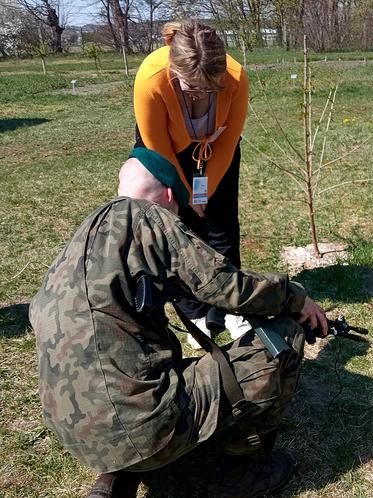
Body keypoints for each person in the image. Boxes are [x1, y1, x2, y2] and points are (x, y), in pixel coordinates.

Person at [30, 147, 328, 498]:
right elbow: (225, 285)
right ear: (170, 196)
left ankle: (114, 477)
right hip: (142, 425)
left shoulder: (85, 233)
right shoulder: (152, 218)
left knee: (127, 365)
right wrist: (295, 298)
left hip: (71, 427)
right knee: (283, 339)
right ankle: (241, 471)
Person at [133, 20, 249, 345]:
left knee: (223, 223)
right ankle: (193, 309)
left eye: (210, 89)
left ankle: (229, 306)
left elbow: (228, 144)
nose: (201, 95)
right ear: (174, 71)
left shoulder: (237, 78)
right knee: (176, 226)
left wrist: (206, 191)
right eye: (192, 88)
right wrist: (186, 195)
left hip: (215, 148)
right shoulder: (151, 78)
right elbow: (159, 150)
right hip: (166, 148)